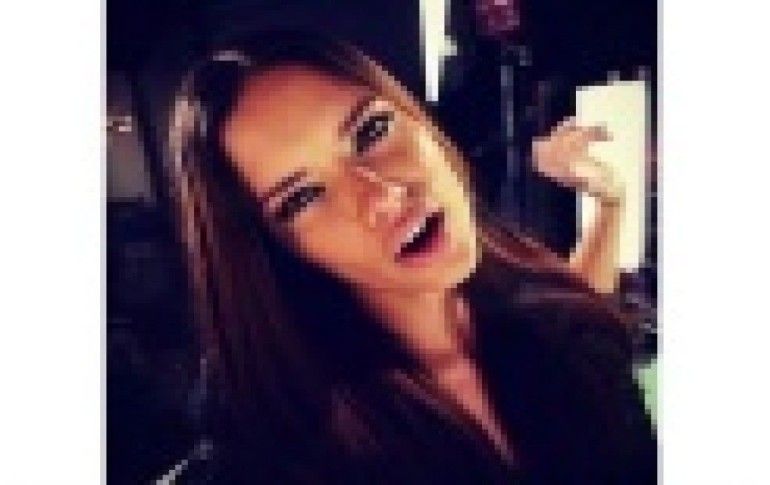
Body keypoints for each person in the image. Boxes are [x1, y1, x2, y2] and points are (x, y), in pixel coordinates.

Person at [165, 31, 655, 484]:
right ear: (279, 250)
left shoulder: (544, 316)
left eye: (371, 131)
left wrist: (610, 201)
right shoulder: (283, 449)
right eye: (302, 198)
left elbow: (580, 314)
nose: (383, 196)